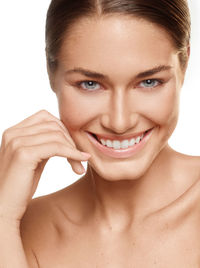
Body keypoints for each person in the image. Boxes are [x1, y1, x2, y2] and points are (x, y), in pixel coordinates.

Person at [0, 0, 199, 267]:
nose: (119, 122)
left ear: (184, 64)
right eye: (90, 84)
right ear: (51, 73)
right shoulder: (23, 228)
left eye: (149, 82)